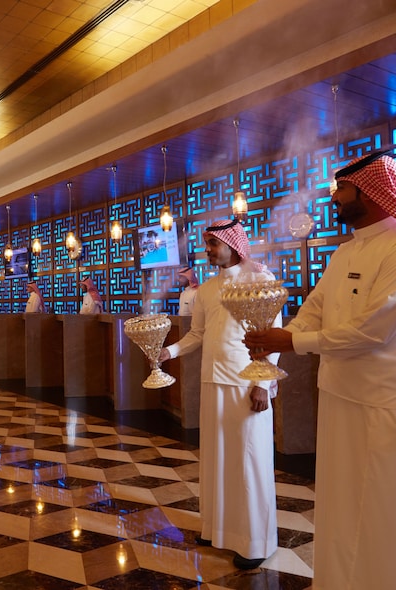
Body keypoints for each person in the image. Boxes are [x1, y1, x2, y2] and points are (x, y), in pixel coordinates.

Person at [244, 150, 396, 590]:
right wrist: (277, 339)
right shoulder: (344, 253)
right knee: (341, 507)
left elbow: (374, 332)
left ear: (371, 192)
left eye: (342, 188)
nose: (334, 197)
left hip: (391, 405)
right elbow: (314, 309)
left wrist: (290, 342)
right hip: (341, 397)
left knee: (390, 516)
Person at [158, 219, 281, 570]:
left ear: (233, 245)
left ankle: (255, 542)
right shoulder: (208, 289)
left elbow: (272, 334)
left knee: (249, 461)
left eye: (213, 243)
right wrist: (170, 351)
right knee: (216, 459)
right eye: (207, 243)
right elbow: (198, 333)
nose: (208, 249)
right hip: (212, 382)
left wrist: (262, 384)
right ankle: (217, 530)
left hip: (246, 384)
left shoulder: (260, 280)